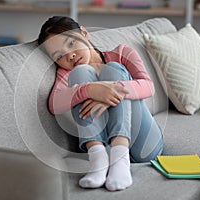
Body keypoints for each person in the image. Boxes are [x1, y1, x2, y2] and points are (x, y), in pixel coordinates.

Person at [38, 16, 163, 191]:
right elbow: (54, 104)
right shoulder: (67, 73)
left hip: (145, 143)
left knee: (113, 69)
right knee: (80, 73)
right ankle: (98, 160)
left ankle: (120, 158)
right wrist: (89, 91)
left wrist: (110, 91)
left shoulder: (122, 53)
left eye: (71, 44)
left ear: (84, 33)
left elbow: (148, 86)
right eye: (59, 56)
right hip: (104, 146)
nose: (70, 55)